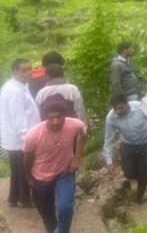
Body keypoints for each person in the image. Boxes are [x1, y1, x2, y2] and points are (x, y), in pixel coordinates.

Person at [23, 95, 86, 233]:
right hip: (41, 178)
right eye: (51, 118)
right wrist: (29, 178)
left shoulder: (75, 124)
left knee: (66, 207)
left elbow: (83, 134)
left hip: (65, 172)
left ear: (65, 115)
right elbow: (27, 159)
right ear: (45, 117)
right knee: (48, 216)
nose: (56, 121)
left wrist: (77, 157)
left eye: (59, 116)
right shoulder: (33, 135)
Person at [103, 94, 147, 203]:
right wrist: (109, 162)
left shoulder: (141, 107)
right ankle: (136, 179)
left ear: (127, 103)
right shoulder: (111, 118)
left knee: (145, 172)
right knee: (129, 173)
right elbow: (108, 139)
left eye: (121, 108)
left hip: (146, 143)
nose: (118, 111)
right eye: (115, 109)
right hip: (128, 145)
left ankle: (139, 196)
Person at [0, 59, 40, 207]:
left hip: (16, 138)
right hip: (20, 139)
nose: (29, 72)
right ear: (14, 72)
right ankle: (24, 199)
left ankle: (13, 198)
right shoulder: (14, 91)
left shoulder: (20, 86)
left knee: (17, 169)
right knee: (24, 169)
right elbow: (19, 119)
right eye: (24, 70)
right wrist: (26, 140)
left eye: (30, 69)